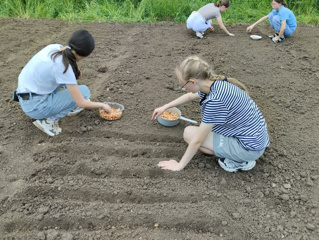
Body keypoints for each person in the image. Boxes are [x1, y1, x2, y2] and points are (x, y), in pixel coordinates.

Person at [152, 56, 269, 172]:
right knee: (198, 131)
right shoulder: (215, 84)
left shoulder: (215, 101)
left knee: (189, 134)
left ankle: (239, 161)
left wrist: (179, 165)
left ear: (193, 82)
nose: (184, 88)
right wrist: (165, 107)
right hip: (255, 137)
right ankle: (236, 153)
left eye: (183, 84)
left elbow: (197, 141)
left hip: (248, 148)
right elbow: (189, 96)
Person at [14, 30, 112, 136]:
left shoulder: (55, 48)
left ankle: (65, 104)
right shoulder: (64, 68)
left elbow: (74, 72)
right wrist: (102, 105)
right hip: (36, 107)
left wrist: (75, 71)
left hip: (25, 95)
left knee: (73, 84)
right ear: (85, 55)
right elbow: (82, 103)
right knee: (83, 92)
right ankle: (48, 121)